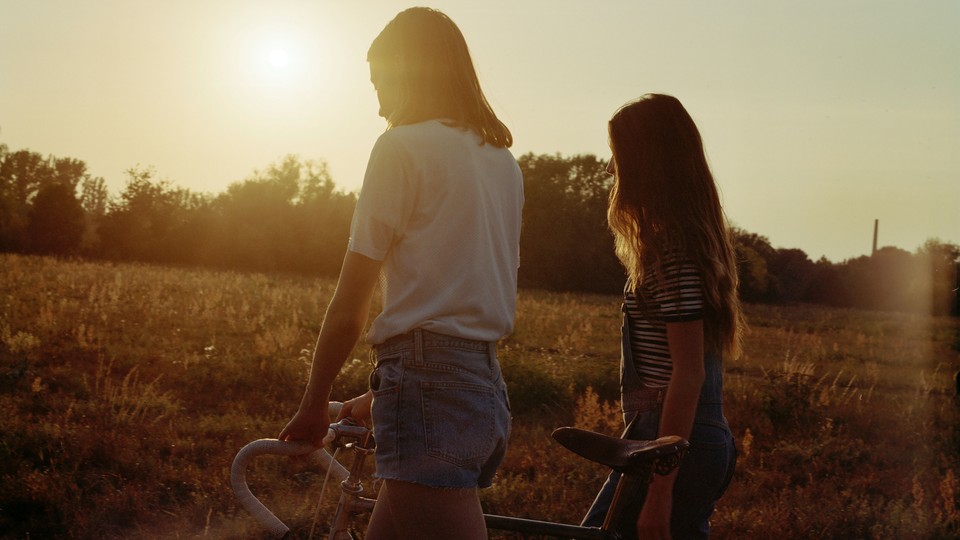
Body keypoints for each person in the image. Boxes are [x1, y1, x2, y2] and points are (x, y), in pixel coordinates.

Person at [278, 7, 522, 540]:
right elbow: (461, 302)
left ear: (412, 72)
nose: (379, 102)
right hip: (483, 385)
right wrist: (382, 395)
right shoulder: (501, 161)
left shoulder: (401, 147)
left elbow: (352, 301)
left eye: (381, 82)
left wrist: (314, 403)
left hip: (428, 383)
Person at [581, 94, 743, 540]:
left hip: (673, 446)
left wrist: (660, 492)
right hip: (670, 441)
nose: (611, 170)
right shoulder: (677, 247)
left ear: (644, 163)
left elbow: (687, 376)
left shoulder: (672, 254)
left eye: (617, 157)